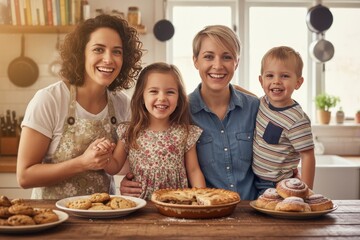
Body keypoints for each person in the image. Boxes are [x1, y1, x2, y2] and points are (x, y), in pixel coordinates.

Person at [120, 25, 260, 200]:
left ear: (236, 62)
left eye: (227, 57)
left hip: (251, 210)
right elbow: (149, 148)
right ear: (195, 61)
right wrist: (131, 180)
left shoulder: (254, 107)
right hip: (202, 212)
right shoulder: (178, 111)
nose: (217, 65)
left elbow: (275, 153)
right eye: (208, 56)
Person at [16, 14, 143, 199]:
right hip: (54, 218)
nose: (108, 59)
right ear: (81, 53)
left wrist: (129, 181)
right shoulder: (50, 99)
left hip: (104, 215)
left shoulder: (122, 103)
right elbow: (25, 176)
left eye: (117, 51)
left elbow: (119, 164)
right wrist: (82, 163)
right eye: (98, 49)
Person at [96, 62, 206, 200]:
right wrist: (104, 155)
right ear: (141, 96)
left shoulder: (185, 133)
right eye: (154, 91)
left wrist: (203, 199)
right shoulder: (129, 132)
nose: (162, 98)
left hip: (176, 203)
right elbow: (114, 168)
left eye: (170, 92)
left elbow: (194, 170)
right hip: (140, 205)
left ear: (179, 98)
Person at [252, 46, 315, 195]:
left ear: (298, 83)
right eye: (270, 76)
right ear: (261, 81)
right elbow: (249, 96)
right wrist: (231, 88)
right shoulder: (263, 102)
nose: (276, 81)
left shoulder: (297, 120)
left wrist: (305, 192)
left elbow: (308, 156)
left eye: (285, 76)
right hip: (254, 180)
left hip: (279, 185)